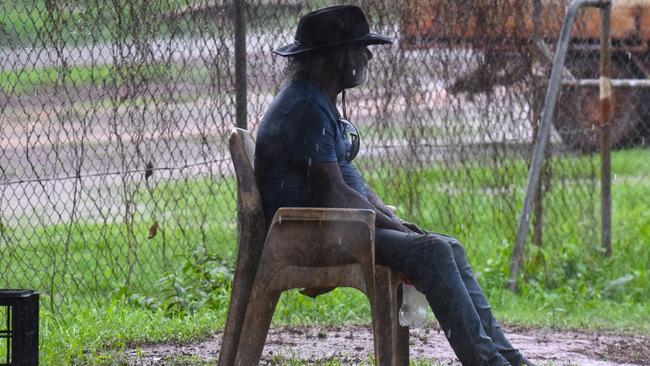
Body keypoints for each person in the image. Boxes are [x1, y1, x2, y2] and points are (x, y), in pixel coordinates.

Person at [255, 5, 535, 366]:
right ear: (334, 55)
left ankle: (509, 358)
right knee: (433, 251)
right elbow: (335, 193)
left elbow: (348, 183)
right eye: (359, 47)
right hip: (308, 234)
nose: (367, 55)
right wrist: (397, 227)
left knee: (448, 246)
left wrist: (390, 218)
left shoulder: (316, 99)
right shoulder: (306, 107)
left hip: (332, 227)